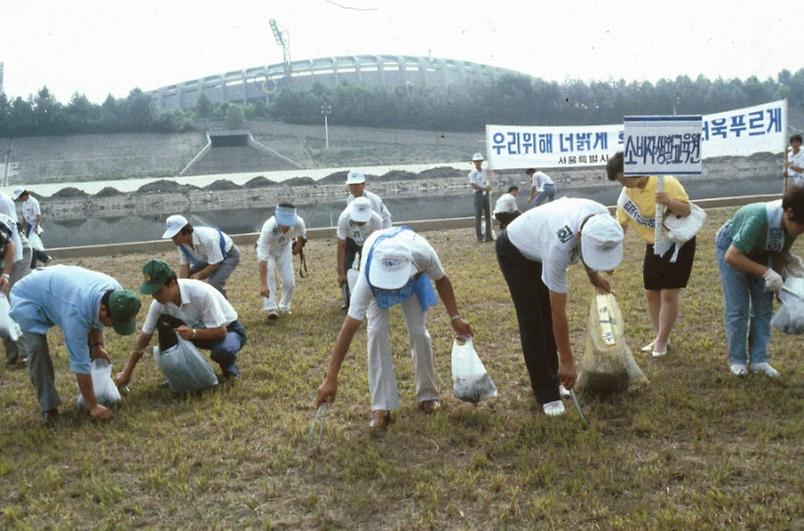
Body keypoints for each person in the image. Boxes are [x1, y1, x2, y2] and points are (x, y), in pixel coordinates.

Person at [316, 226, 474, 430]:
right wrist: (331, 377)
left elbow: (442, 280)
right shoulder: (367, 280)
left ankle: (428, 395)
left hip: (413, 283)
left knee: (419, 332)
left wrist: (455, 317)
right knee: (376, 332)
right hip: (375, 279)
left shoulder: (423, 254)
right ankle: (381, 406)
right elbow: (348, 329)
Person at [496, 198, 624, 416]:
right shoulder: (559, 246)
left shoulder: (601, 216)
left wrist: (593, 275)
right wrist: (567, 361)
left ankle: (554, 379)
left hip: (539, 240)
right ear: (578, 237)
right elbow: (559, 311)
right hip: (515, 248)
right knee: (534, 319)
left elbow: (588, 245)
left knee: (545, 314)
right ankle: (546, 392)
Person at [9, 265, 141, 423]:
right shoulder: (76, 314)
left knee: (91, 337)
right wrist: (93, 407)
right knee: (38, 349)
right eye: (113, 322)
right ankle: (49, 407)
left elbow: (96, 318)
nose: (112, 327)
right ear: (104, 310)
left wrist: (97, 345)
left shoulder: (116, 293)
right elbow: (80, 364)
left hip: (58, 292)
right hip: (29, 296)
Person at [606, 151, 695, 358]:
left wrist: (667, 201)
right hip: (654, 245)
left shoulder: (665, 182)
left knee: (668, 293)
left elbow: (687, 209)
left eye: (625, 179)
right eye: (621, 182)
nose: (625, 185)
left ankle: (662, 341)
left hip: (677, 243)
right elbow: (620, 228)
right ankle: (660, 336)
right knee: (651, 292)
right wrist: (610, 259)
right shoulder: (626, 197)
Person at [715, 187, 804, 378]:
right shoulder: (760, 218)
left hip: (762, 252)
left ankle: (759, 360)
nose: (802, 231)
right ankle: (737, 360)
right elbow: (732, 256)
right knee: (738, 308)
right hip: (731, 249)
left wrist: (778, 283)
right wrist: (767, 272)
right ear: (789, 214)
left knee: (763, 307)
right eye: (802, 226)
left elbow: (779, 252)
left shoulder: (792, 226)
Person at [115, 259, 246, 385]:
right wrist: (127, 372)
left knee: (222, 351)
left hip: (229, 330)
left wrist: (193, 333)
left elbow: (221, 331)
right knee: (164, 323)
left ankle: (229, 369)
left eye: (158, 291)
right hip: (194, 330)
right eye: (151, 293)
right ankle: (179, 375)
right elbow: (144, 337)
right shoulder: (158, 304)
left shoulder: (200, 293)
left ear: (171, 283)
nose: (154, 297)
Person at [161, 215, 240, 298]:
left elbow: (214, 264)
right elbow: (185, 267)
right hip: (208, 259)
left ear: (186, 232)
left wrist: (199, 275)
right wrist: (180, 286)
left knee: (214, 282)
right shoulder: (181, 244)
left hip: (228, 256)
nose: (173, 239)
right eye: (172, 236)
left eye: (175, 236)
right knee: (185, 278)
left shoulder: (208, 239)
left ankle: (223, 308)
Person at [256, 203, 307, 320]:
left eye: (289, 223)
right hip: (269, 251)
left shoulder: (299, 222)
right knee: (269, 275)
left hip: (285, 248)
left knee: (289, 281)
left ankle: (284, 306)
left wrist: (298, 247)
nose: (286, 227)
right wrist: (263, 285)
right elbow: (262, 259)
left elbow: (301, 235)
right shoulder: (268, 228)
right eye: (283, 223)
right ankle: (271, 308)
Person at [0, 191, 32, 367]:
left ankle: (23, 353)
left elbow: (10, 243)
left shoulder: (2, 202)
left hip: (15, 254)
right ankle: (13, 354)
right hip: (5, 251)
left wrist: (5, 273)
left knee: (12, 302)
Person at [336, 197, 383, 309]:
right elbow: (341, 246)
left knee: (367, 269)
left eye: (363, 219)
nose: (360, 222)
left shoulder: (377, 220)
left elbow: (378, 246)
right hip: (349, 240)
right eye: (358, 219)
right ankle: (349, 301)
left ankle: (370, 299)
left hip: (368, 241)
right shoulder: (344, 217)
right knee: (347, 269)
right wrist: (341, 272)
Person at [11, 187, 50, 267]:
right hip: (28, 227)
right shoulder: (24, 204)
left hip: (34, 226)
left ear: (24, 195)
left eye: (20, 197)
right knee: (32, 247)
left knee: (32, 247)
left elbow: (38, 216)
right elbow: (25, 218)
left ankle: (33, 265)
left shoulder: (33, 202)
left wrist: (36, 227)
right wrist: (22, 228)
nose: (20, 199)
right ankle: (45, 258)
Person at [468, 152, 493, 242]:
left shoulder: (484, 172)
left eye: (480, 161)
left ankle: (488, 235)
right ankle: (480, 236)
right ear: (474, 162)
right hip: (478, 195)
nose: (478, 163)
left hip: (486, 195)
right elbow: (473, 185)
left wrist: (488, 187)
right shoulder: (472, 173)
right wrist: (484, 189)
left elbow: (488, 181)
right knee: (478, 216)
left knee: (488, 215)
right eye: (476, 161)